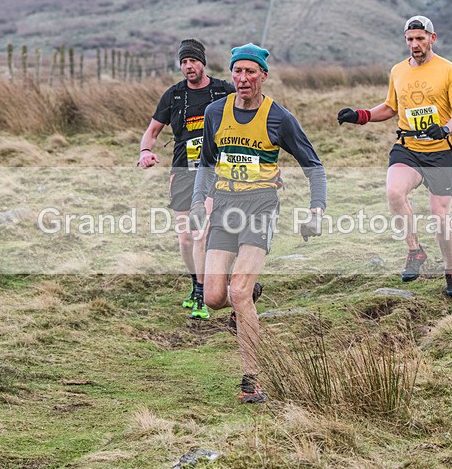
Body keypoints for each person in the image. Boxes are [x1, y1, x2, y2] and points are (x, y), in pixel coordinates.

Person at [190, 43, 327, 403]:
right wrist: (196, 204)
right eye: (238, 71)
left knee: (237, 292)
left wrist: (317, 211)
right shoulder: (215, 112)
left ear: (263, 76)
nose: (243, 78)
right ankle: (246, 300)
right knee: (215, 297)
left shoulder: (279, 118)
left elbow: (314, 166)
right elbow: (206, 163)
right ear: (231, 74)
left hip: (260, 207)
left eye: (251, 72)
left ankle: (253, 380)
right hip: (223, 207)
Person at [337, 15, 452, 298]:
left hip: (440, 152)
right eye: (410, 40)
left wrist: (445, 128)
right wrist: (360, 115)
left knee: (440, 215)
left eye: (420, 39)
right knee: (394, 192)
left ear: (432, 39)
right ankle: (415, 251)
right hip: (408, 146)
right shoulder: (398, 70)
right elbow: (390, 107)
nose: (415, 44)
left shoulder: (449, 70)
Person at [138, 39, 234, 320]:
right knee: (184, 240)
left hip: (214, 171)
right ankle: (196, 285)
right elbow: (152, 131)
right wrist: (145, 151)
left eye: (192, 61)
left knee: (200, 233)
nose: (188, 66)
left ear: (202, 62)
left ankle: (204, 293)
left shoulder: (222, 91)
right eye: (183, 62)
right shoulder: (174, 95)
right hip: (181, 172)